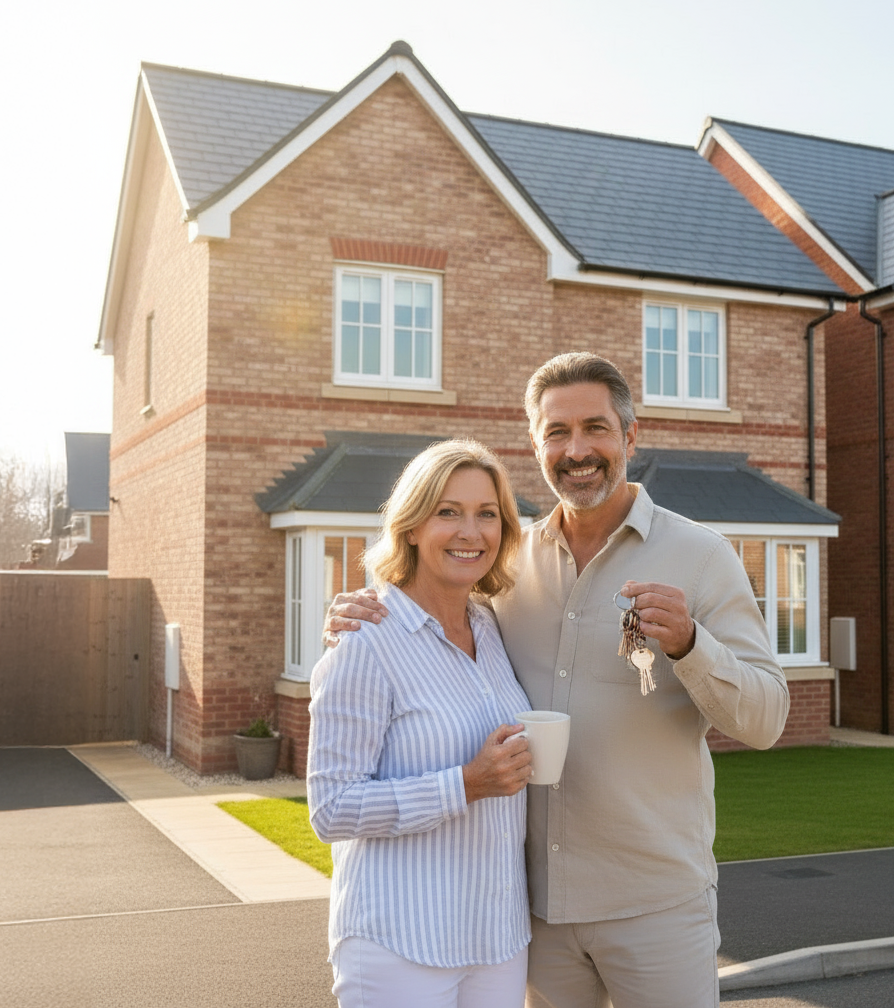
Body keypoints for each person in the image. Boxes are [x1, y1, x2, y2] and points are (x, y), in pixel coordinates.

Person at [328, 353, 789, 1008]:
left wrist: (691, 643)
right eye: (557, 433)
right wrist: (365, 609)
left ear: (630, 436)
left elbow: (766, 720)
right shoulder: (505, 562)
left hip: (655, 905)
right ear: (536, 444)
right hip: (534, 911)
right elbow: (433, 610)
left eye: (595, 428)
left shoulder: (702, 556)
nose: (577, 451)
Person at [308, 439, 536, 1008]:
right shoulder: (365, 641)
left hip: (497, 936)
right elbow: (330, 809)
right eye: (448, 512)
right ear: (410, 527)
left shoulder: (491, 626)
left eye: (487, 514)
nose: (471, 532)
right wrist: (466, 784)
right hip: (401, 939)